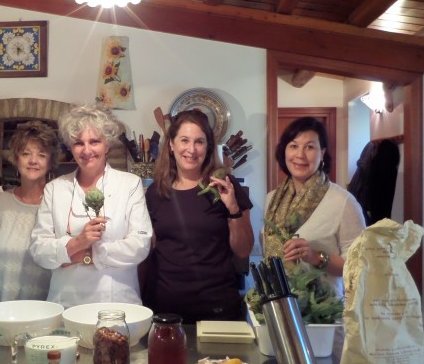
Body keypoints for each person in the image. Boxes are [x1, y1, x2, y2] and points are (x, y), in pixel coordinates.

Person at [29, 104, 152, 307]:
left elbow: (139, 245)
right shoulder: (55, 189)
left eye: (94, 141)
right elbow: (39, 250)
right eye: (78, 143)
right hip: (66, 302)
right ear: (70, 147)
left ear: (107, 145)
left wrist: (86, 255)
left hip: (117, 301)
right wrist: (77, 242)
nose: (86, 150)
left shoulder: (129, 184)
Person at [143, 109, 254, 323]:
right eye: (184, 140)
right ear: (171, 145)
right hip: (165, 310)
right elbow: (148, 253)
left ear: (208, 147)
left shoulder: (225, 186)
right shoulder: (155, 192)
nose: (191, 150)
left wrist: (233, 208)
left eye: (199, 142)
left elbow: (243, 250)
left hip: (217, 310)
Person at [262, 116, 366, 297]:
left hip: (322, 313)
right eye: (293, 146)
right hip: (276, 305)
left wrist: (315, 256)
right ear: (284, 151)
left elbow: (359, 267)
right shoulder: (272, 199)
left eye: (309, 147)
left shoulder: (342, 202)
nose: (300, 155)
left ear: (322, 153)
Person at [0, 121, 60, 302]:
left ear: (51, 161)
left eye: (41, 154)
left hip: (45, 313)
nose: (33, 161)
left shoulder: (60, 205)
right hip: (1, 311)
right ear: (16, 158)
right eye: (26, 154)